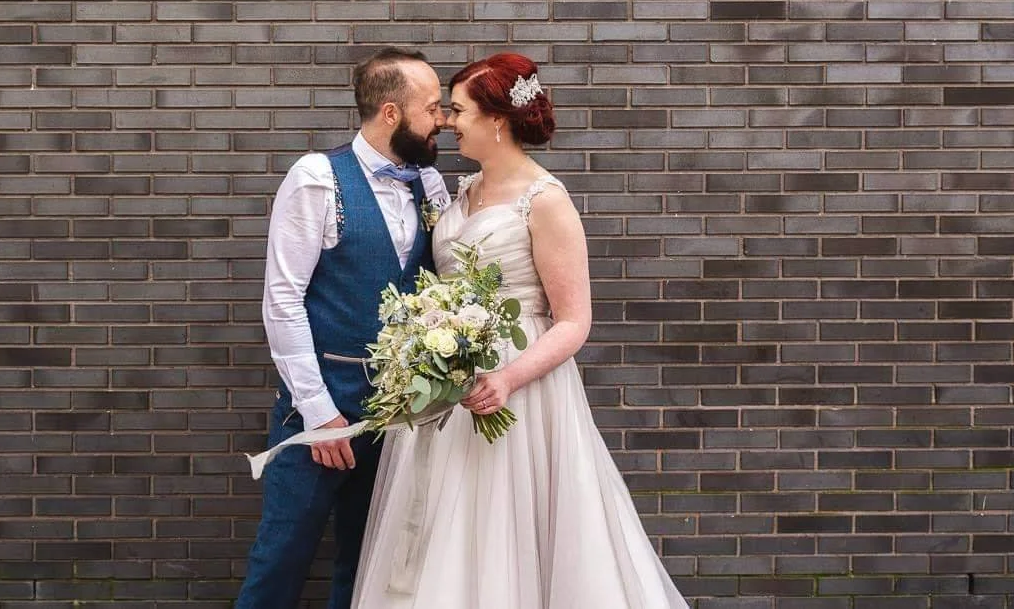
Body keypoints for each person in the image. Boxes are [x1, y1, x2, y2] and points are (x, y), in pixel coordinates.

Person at [350, 53, 690, 609]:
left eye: (457, 110)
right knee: (445, 526)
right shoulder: (457, 193)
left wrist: (507, 378)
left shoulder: (546, 201)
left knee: (513, 523)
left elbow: (575, 320)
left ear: (497, 120)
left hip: (523, 389)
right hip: (452, 381)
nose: (446, 121)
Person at [234, 48, 450, 609]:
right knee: (280, 558)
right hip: (319, 405)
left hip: (400, 411)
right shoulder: (316, 178)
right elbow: (282, 300)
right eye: (432, 108)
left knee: (368, 568)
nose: (442, 120)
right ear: (390, 114)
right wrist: (319, 412)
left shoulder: (431, 186)